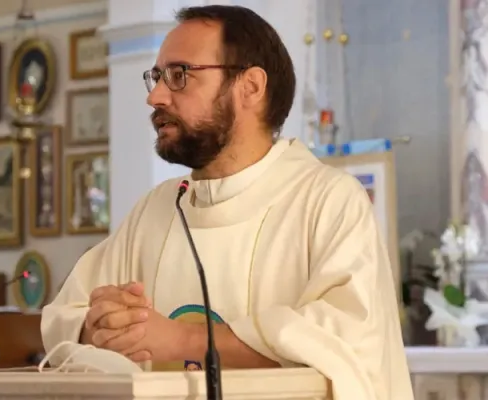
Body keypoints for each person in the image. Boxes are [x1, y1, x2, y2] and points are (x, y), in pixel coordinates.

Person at [41, 5, 413, 399]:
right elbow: (67, 316)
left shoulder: (328, 201)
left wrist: (183, 339)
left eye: (179, 75)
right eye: (156, 76)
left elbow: (345, 345)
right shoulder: (157, 209)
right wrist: (102, 324)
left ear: (250, 86)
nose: (155, 96)